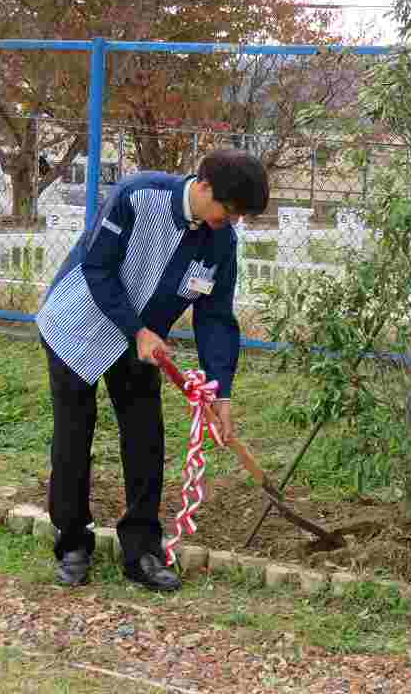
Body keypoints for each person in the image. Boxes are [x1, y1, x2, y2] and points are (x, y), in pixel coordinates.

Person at [35, 148, 269, 591]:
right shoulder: (137, 196)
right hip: (77, 323)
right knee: (74, 432)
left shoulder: (222, 242)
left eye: (239, 216)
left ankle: (141, 550)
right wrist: (137, 328)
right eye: (229, 210)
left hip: (141, 345)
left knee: (145, 437)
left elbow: (216, 316)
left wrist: (221, 391)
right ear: (202, 186)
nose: (231, 221)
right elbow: (98, 266)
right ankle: (72, 543)